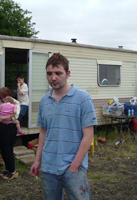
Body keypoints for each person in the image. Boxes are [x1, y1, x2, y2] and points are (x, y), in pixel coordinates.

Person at [30, 53, 98, 199]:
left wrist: (75, 165)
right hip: (49, 168)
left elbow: (88, 135)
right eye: (49, 73)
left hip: (73, 168)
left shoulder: (83, 98)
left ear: (68, 74)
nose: (53, 78)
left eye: (58, 73)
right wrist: (37, 160)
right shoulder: (44, 101)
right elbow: (43, 132)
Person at [0, 87, 19, 180]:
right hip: (0, 127)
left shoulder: (16, 103)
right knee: (3, 149)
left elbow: (15, 116)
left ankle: (13, 171)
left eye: (5, 96)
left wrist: (3, 118)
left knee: (8, 149)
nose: (3, 99)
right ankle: (7, 169)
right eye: (2, 97)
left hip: (10, 127)